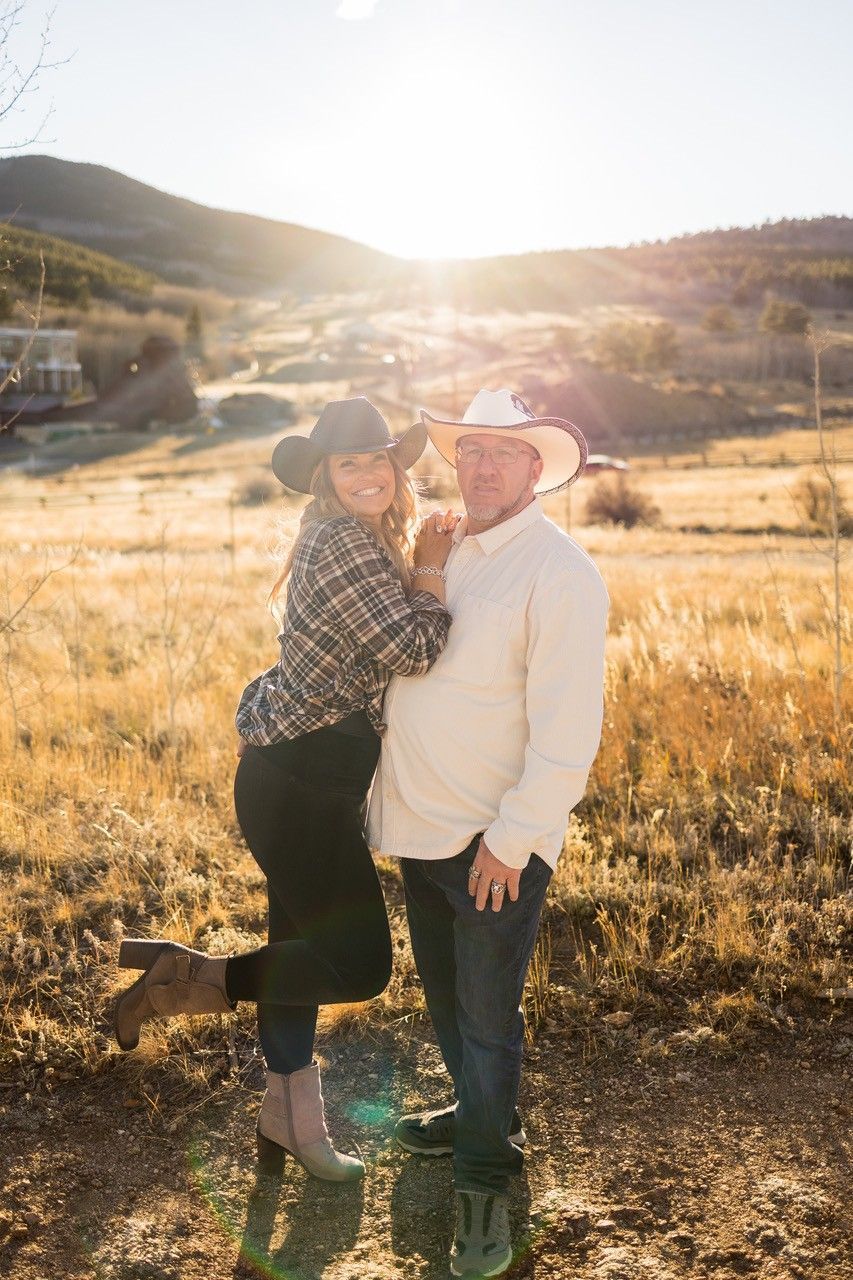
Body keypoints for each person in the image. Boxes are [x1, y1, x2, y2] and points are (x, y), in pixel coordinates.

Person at [113, 397, 455, 1183]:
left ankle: (289, 1123)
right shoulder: (344, 542)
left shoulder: (353, 540)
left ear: (394, 467)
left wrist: (262, 707)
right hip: (300, 783)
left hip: (301, 777)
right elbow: (413, 647)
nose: (368, 473)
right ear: (325, 479)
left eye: (378, 458)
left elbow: (304, 656)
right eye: (349, 464)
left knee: (296, 959)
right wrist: (433, 570)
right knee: (359, 965)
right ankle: (184, 977)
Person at [368, 389, 609, 1276]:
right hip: (419, 827)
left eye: (503, 452)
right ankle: (480, 1115)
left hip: (490, 843)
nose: (482, 466)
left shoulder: (560, 572)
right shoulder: (448, 547)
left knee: (485, 1018)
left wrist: (514, 839)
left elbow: (566, 731)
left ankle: (482, 1187)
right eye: (470, 450)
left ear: (535, 466)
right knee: (444, 1002)